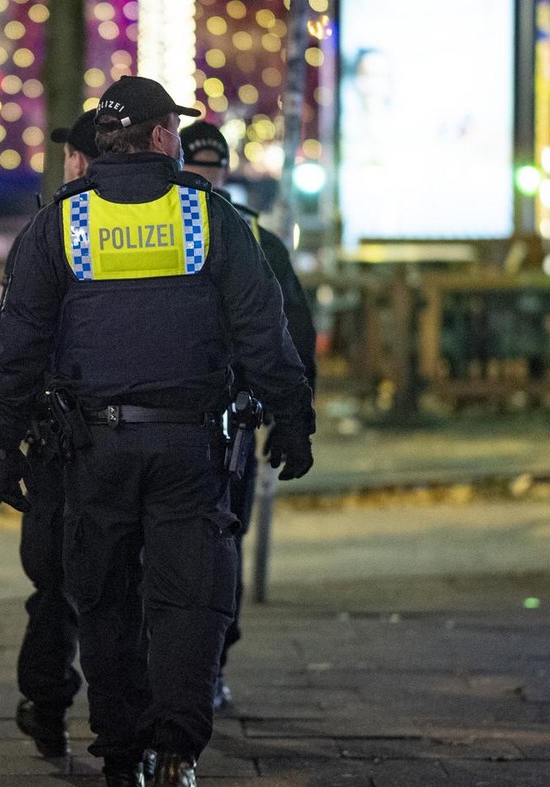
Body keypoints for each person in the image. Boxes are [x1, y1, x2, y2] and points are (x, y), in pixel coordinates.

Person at [0, 76, 315, 787]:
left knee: (106, 604)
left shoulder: (61, 225)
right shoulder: (210, 218)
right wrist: (291, 415)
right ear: (163, 136)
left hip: (93, 448)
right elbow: (263, 327)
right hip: (190, 446)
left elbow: (19, 345)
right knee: (190, 604)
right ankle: (176, 756)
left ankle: (122, 763)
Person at [180, 121, 318, 712]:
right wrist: (291, 414)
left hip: (199, 421)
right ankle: (206, 667)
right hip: (224, 419)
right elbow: (291, 340)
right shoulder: (255, 238)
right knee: (219, 547)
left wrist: (290, 412)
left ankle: (195, 667)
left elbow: (294, 338)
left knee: (202, 549)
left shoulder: (157, 227)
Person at [0, 109, 101, 759]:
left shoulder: (49, 231)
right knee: (120, 584)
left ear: (81, 161)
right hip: (141, 438)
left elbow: (12, 345)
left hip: (60, 439)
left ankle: (49, 704)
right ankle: (128, 736)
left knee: (54, 580)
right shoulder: (181, 221)